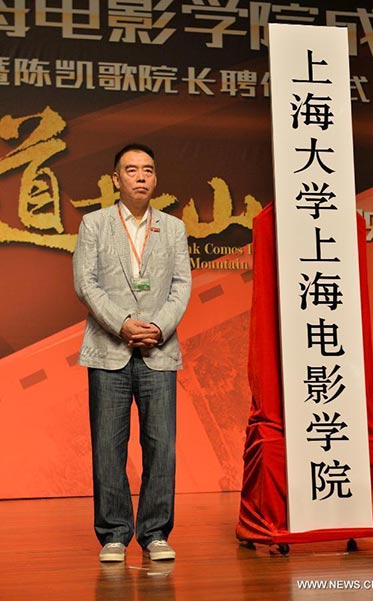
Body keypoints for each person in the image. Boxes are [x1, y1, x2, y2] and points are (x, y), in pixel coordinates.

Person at [73, 143, 192, 563]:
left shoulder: (173, 228)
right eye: (131, 170)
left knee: (162, 446)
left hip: (159, 349)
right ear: (115, 179)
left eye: (148, 170)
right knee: (109, 446)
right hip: (109, 349)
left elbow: (182, 285)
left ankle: (155, 533)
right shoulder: (94, 224)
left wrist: (158, 327)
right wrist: (122, 323)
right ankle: (114, 535)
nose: (141, 177)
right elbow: (86, 283)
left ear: (155, 179)